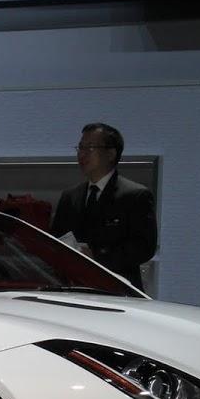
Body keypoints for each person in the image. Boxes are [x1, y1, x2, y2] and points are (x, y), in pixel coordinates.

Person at [51, 122, 157, 290]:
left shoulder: (135, 195)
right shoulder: (70, 196)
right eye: (80, 147)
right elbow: (55, 241)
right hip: (74, 289)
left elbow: (144, 247)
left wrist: (96, 256)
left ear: (111, 154)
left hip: (118, 290)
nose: (82, 154)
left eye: (90, 148)